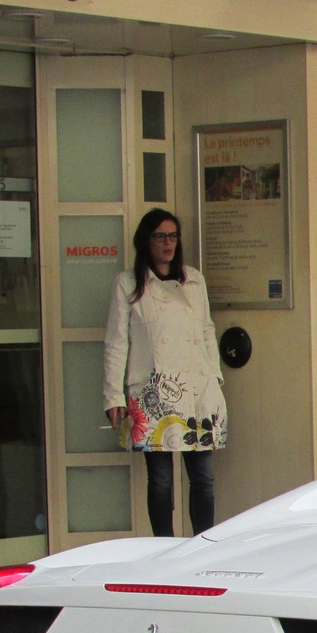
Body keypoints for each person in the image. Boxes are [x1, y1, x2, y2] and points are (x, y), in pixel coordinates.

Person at [103, 208, 227, 537]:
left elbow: (206, 331)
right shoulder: (128, 284)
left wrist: (215, 377)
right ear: (146, 241)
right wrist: (114, 395)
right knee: (160, 479)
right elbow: (117, 342)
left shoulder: (194, 280)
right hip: (152, 392)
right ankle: (163, 549)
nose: (167, 243)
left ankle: (204, 544)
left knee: (203, 476)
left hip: (198, 391)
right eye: (160, 236)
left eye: (172, 236)